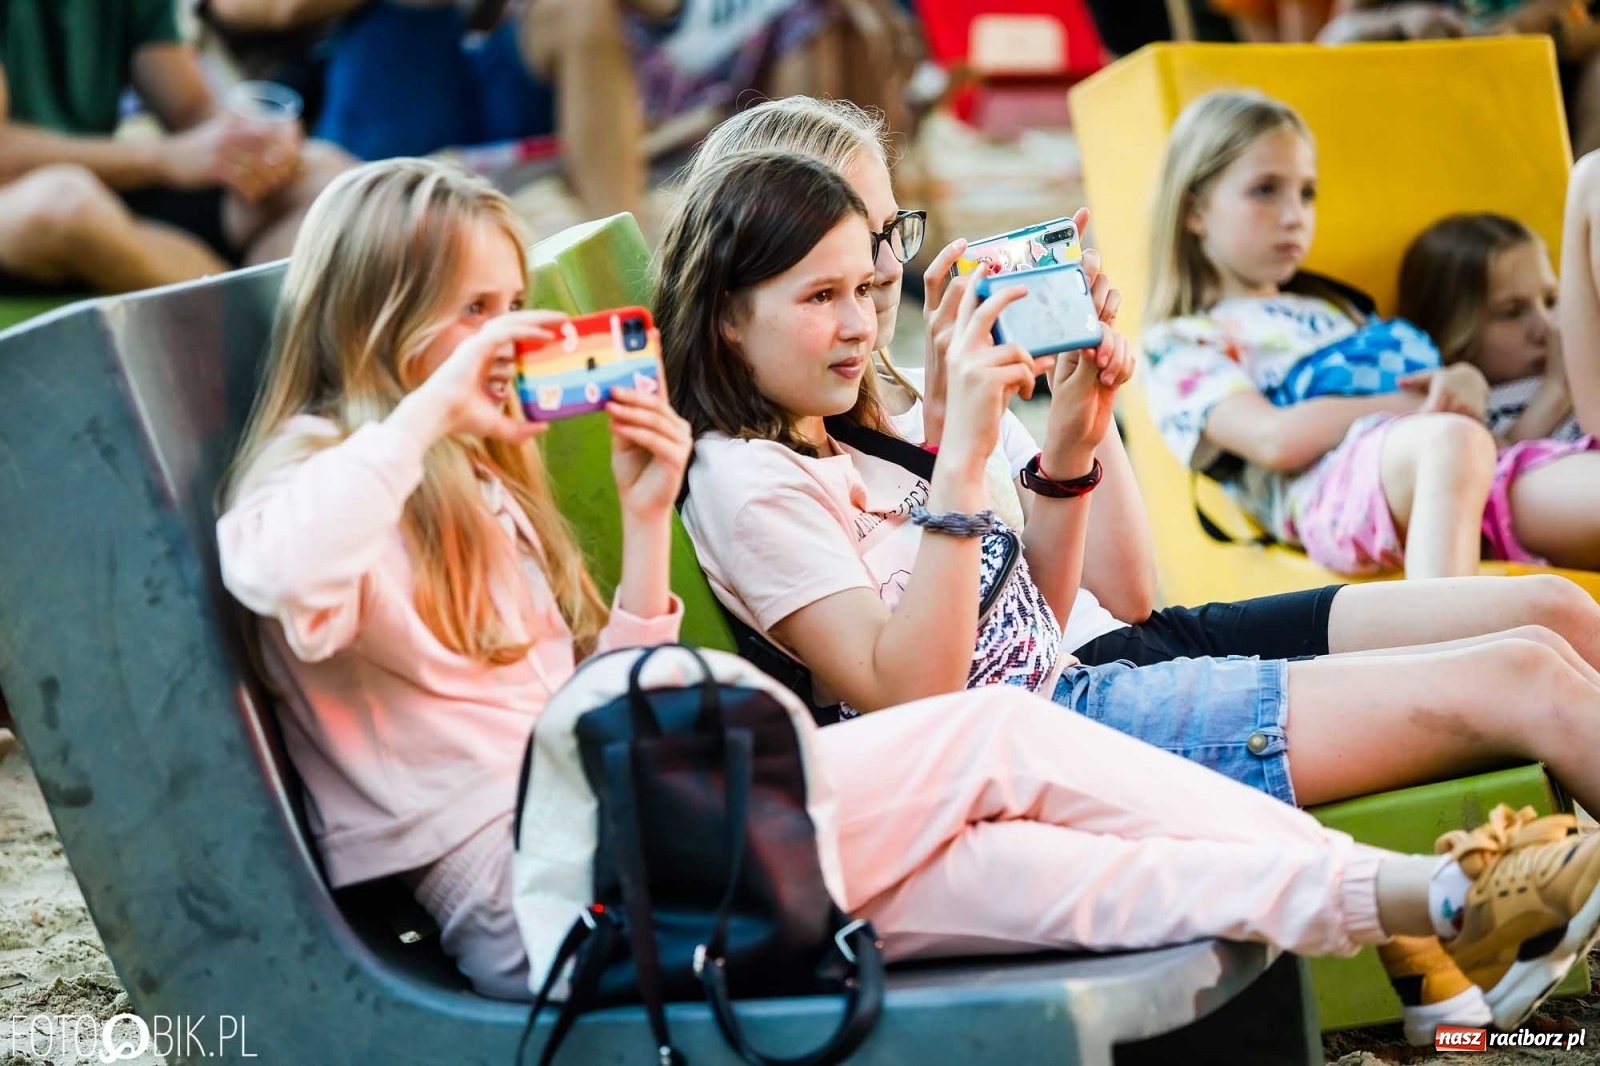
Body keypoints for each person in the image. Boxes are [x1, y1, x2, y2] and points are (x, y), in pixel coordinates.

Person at [217, 158, 1600, 1036]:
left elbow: (587, 702)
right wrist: (428, 412)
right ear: (375, 314)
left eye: (511, 310)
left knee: (1046, 871)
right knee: (1001, 737)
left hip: (629, 831)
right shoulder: (329, 466)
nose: (502, 346)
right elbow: (272, 570)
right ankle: (1423, 898)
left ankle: (1418, 896)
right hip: (548, 897)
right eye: (474, 313)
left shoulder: (473, 484)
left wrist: (641, 547)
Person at [1142, 90, 1600, 577]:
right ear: (1194, 211)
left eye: (1306, 192)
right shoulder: (1183, 340)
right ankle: (1440, 640)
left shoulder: (1339, 310)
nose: (1295, 215)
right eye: (1264, 190)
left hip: (1469, 466)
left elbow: (1477, 431)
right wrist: (1423, 407)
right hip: (1337, 489)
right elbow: (1275, 438)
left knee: (1460, 445)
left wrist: (1461, 381)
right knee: (1450, 441)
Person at [0, 0, 351, 295]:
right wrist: (166, 158)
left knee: (328, 180)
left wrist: (247, 142)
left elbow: (190, 111)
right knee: (64, 205)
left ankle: (266, 325)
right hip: (24, 202)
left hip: (106, 191)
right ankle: (248, 321)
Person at [1400, 213, 1600, 570]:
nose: (1545, 329)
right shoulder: (1467, 403)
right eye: (1511, 312)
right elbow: (1493, 469)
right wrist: (1556, 392)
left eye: (1551, 301)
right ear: (1451, 331)